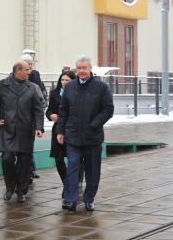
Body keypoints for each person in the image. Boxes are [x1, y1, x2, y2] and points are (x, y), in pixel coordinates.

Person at [57, 56, 114, 212]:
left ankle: (89, 199)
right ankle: (70, 200)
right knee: (73, 167)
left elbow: (108, 109)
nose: (81, 71)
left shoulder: (101, 87)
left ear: (90, 69)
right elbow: (63, 111)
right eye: (79, 68)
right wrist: (60, 130)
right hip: (73, 136)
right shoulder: (70, 87)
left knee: (92, 170)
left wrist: (94, 124)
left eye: (84, 68)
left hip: (93, 137)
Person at [0, 60, 44, 203]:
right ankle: (10, 187)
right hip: (7, 129)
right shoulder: (2, 85)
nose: (29, 72)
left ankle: (21, 191)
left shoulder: (32, 87)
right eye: (26, 69)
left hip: (26, 129)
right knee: (7, 159)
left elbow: (38, 109)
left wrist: (38, 127)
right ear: (17, 71)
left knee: (25, 161)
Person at [45, 70, 76, 204]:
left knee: (73, 160)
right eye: (62, 80)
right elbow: (49, 110)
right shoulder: (54, 93)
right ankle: (67, 184)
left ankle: (71, 186)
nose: (64, 82)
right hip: (57, 129)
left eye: (67, 80)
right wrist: (51, 115)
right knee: (58, 159)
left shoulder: (76, 93)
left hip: (72, 130)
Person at [20, 54, 47, 182]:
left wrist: (42, 105)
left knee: (29, 145)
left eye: (31, 64)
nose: (29, 66)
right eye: (27, 63)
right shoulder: (15, 73)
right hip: (20, 116)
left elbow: (41, 90)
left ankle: (31, 170)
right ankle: (27, 170)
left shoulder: (35, 74)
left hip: (32, 115)